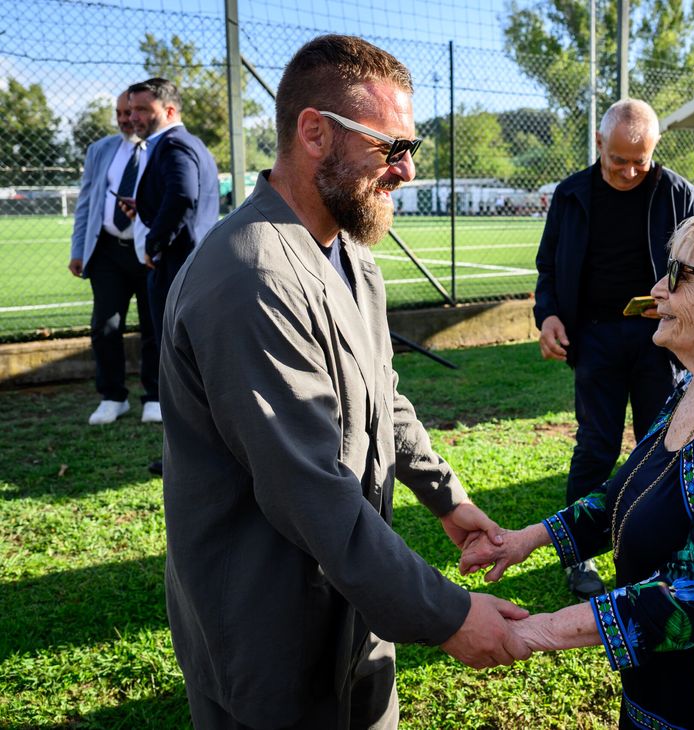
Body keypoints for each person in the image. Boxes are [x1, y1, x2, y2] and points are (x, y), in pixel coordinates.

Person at [157, 35, 530, 728]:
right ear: (315, 134)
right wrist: (448, 615)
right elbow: (306, 491)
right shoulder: (252, 278)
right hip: (266, 624)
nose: (408, 170)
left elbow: (381, 396)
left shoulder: (350, 256)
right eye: (391, 148)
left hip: (352, 604)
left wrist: (446, 499)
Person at [464, 210, 694, 728]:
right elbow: (625, 492)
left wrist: (534, 631)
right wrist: (523, 541)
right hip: (653, 689)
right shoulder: (693, 384)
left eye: (679, 276)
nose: (657, 289)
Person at [534, 99, 694, 600]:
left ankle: (660, 545)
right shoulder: (570, 195)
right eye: (619, 160)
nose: (630, 171)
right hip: (596, 338)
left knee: (665, 444)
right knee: (596, 447)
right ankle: (579, 554)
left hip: (663, 340)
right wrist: (548, 317)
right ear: (599, 145)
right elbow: (547, 269)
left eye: (641, 160)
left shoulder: (678, 194)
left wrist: (680, 303)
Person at [124, 77, 219, 475]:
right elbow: (176, 196)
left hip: (177, 268)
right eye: (130, 111)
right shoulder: (186, 144)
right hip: (189, 266)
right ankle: (198, 452)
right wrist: (145, 209)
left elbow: (183, 196)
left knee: (180, 366)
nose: (133, 118)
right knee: (193, 365)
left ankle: (189, 457)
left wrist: (155, 243)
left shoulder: (174, 144)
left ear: (169, 111)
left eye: (142, 110)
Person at [68, 91, 159, 425]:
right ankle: (112, 396)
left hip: (148, 251)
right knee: (105, 326)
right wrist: (78, 249)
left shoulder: (162, 148)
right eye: (120, 112)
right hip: (106, 251)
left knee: (153, 324)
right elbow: (86, 203)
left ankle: (155, 395)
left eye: (131, 112)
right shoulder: (100, 150)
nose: (125, 119)